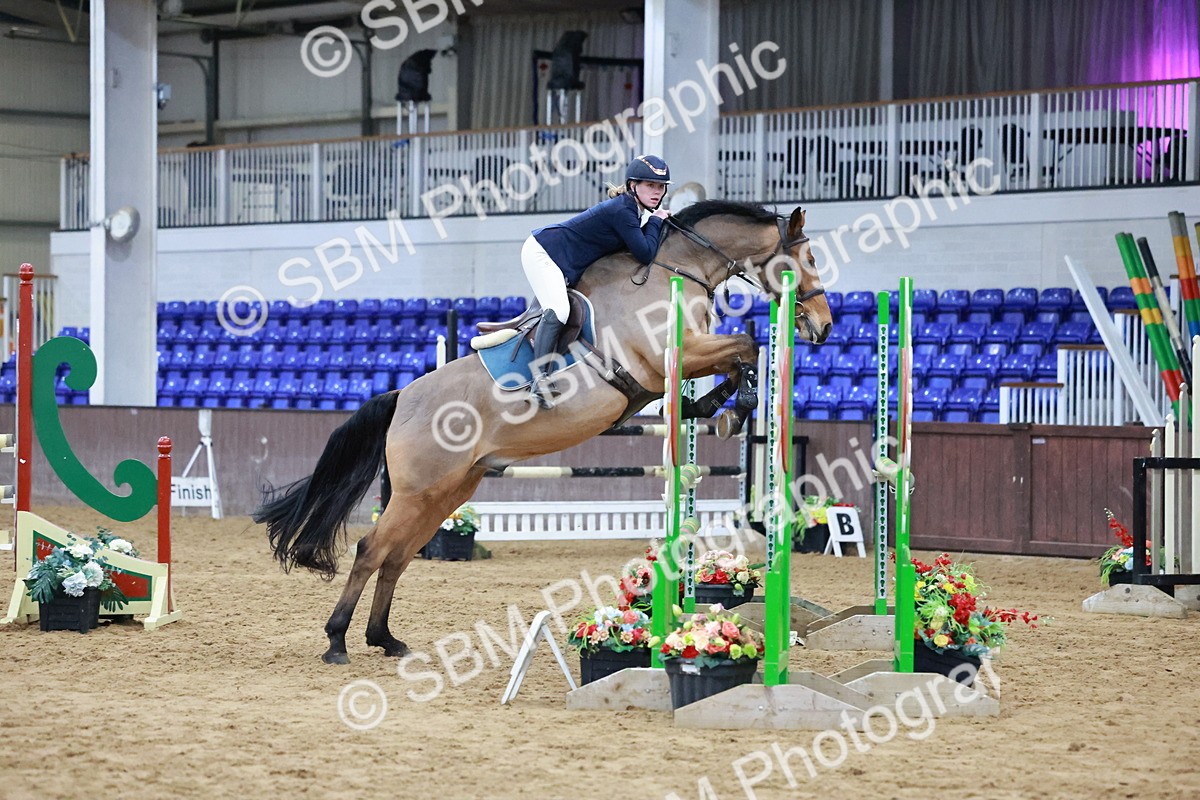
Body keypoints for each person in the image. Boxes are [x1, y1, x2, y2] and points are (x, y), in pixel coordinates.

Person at [522, 154, 672, 408]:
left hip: (562, 259)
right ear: (633, 186)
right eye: (650, 186)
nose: (656, 192)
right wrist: (656, 220)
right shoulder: (624, 211)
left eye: (660, 187)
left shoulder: (631, 210)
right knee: (558, 309)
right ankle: (540, 379)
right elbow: (645, 253)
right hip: (542, 252)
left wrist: (653, 221)